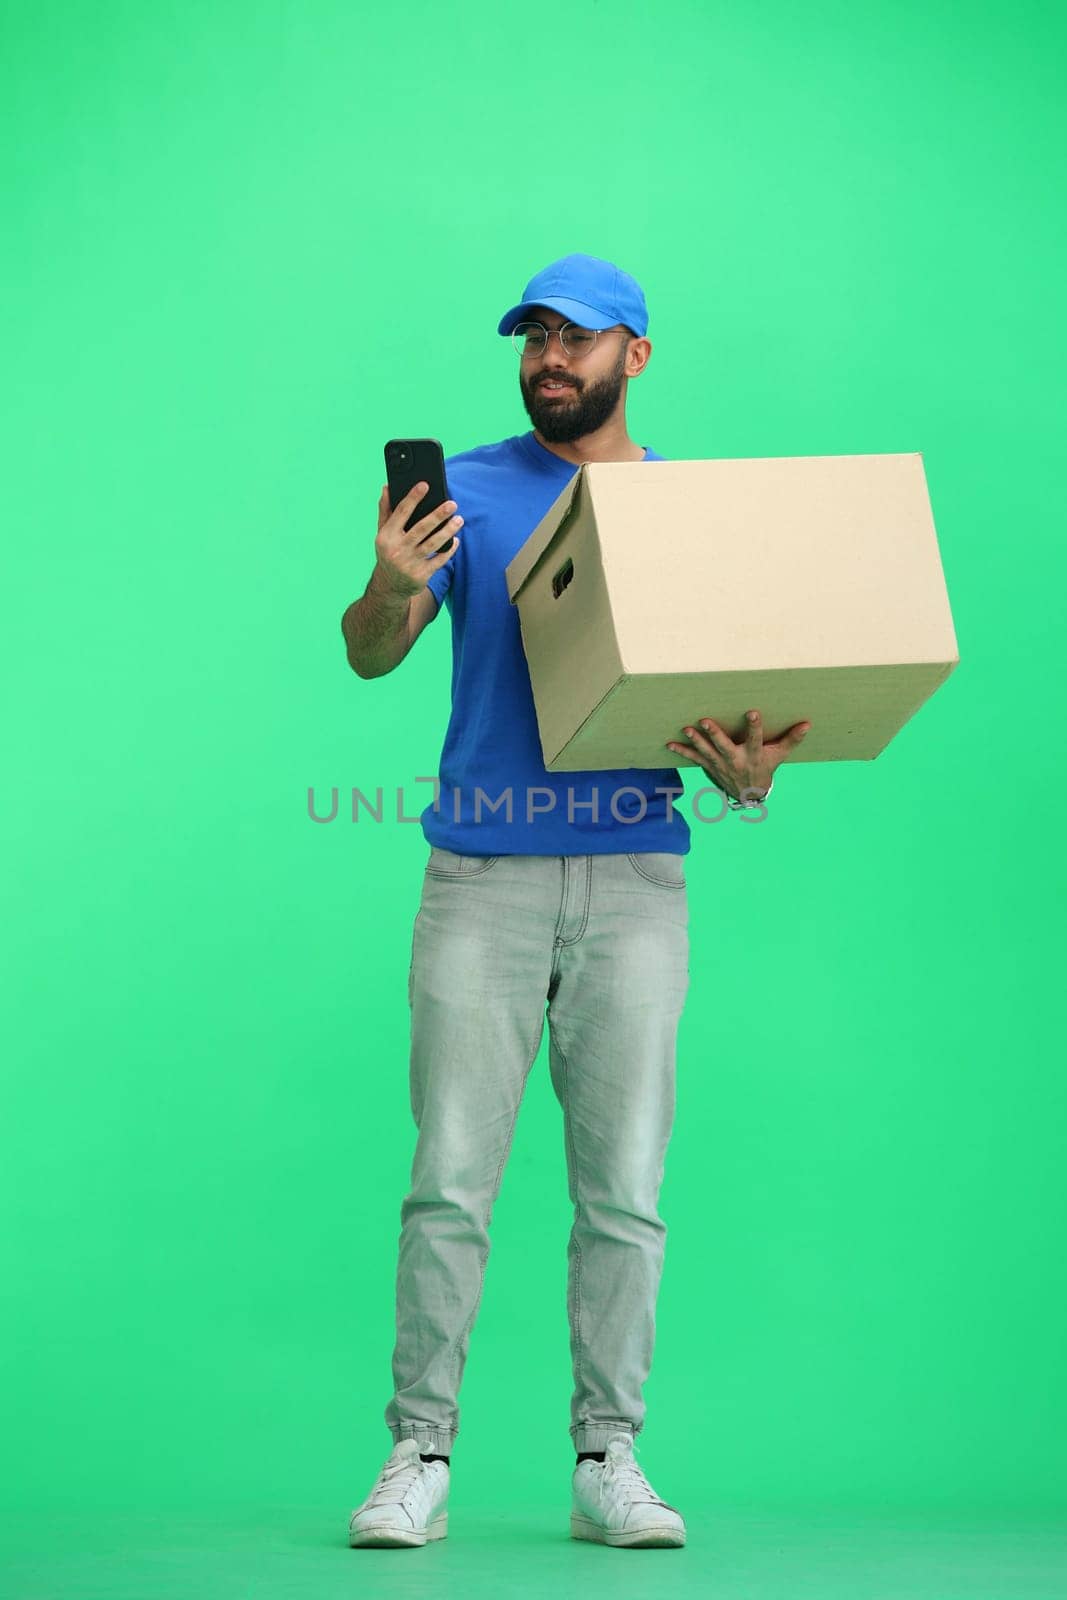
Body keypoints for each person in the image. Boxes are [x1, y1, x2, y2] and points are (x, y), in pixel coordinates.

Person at [340, 253, 812, 1550]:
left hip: (636, 878)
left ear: (635, 356)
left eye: (577, 337)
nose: (550, 357)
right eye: (532, 336)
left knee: (624, 1187)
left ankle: (610, 1454)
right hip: (479, 879)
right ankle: (417, 1455)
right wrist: (389, 583)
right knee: (448, 1178)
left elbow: (737, 718)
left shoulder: (684, 512)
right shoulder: (471, 493)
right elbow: (372, 654)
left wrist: (751, 768)